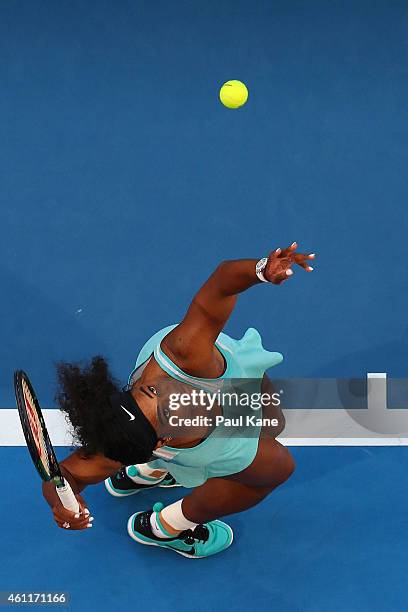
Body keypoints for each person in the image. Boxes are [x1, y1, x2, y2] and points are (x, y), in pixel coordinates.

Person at [43, 242, 315, 558]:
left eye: (147, 391)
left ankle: (149, 471)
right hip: (204, 444)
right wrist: (61, 506)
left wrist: (261, 271)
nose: (164, 391)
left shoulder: (185, 353)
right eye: (164, 411)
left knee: (272, 422)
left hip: (212, 381)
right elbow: (67, 478)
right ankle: (166, 527)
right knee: (275, 464)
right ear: (164, 440)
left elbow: (220, 285)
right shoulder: (199, 446)